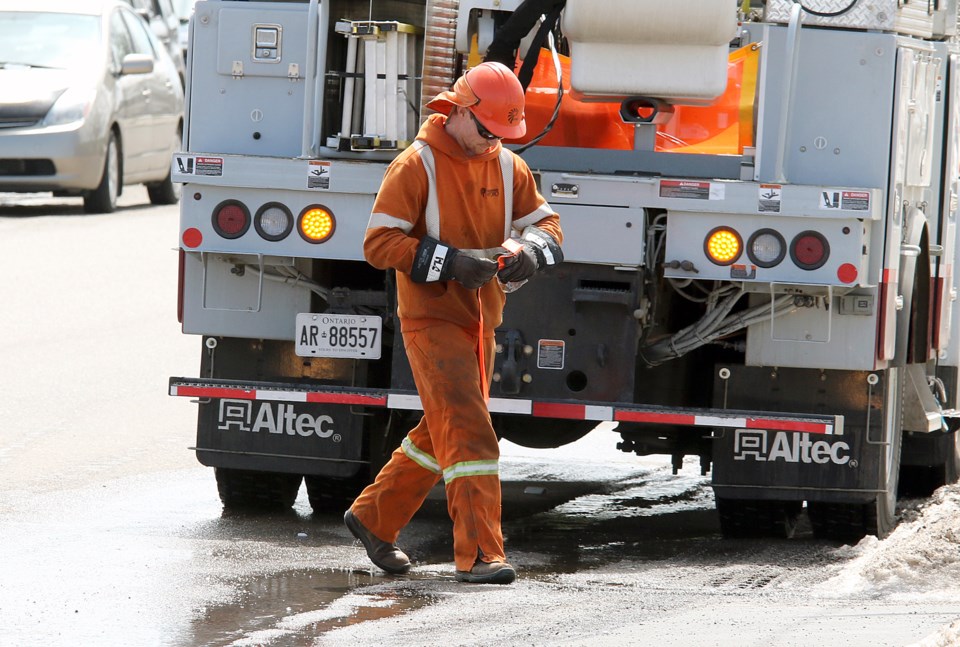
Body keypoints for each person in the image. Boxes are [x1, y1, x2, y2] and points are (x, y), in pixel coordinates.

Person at [343, 61, 564, 585]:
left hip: (482, 318)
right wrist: (449, 261)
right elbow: (378, 244)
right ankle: (482, 554)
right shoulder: (416, 165)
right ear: (460, 111)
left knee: (445, 424)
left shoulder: (509, 166)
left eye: (503, 133)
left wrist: (529, 251)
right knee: (469, 431)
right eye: (487, 129)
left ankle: (374, 517)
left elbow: (547, 224)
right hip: (432, 319)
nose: (493, 140)